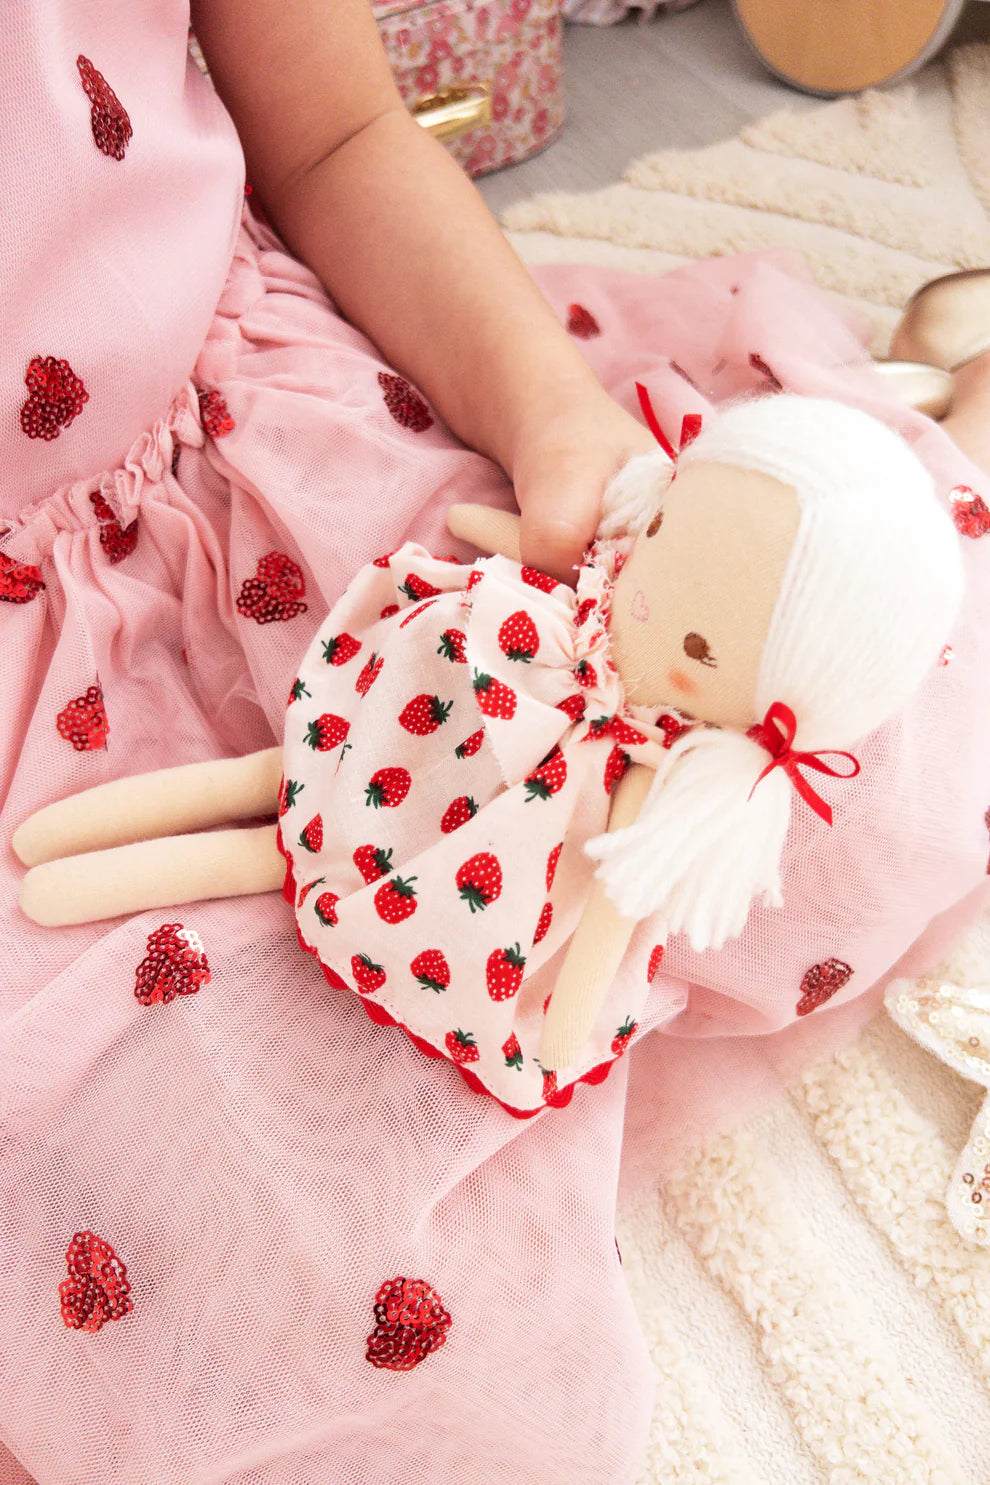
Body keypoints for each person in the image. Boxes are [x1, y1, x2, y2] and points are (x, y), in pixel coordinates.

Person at [1, 4, 989, 1482]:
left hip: (269, 449)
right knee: (265, 1272)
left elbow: (336, 134)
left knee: (871, 766)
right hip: (41, 688)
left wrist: (553, 429)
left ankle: (946, 421)